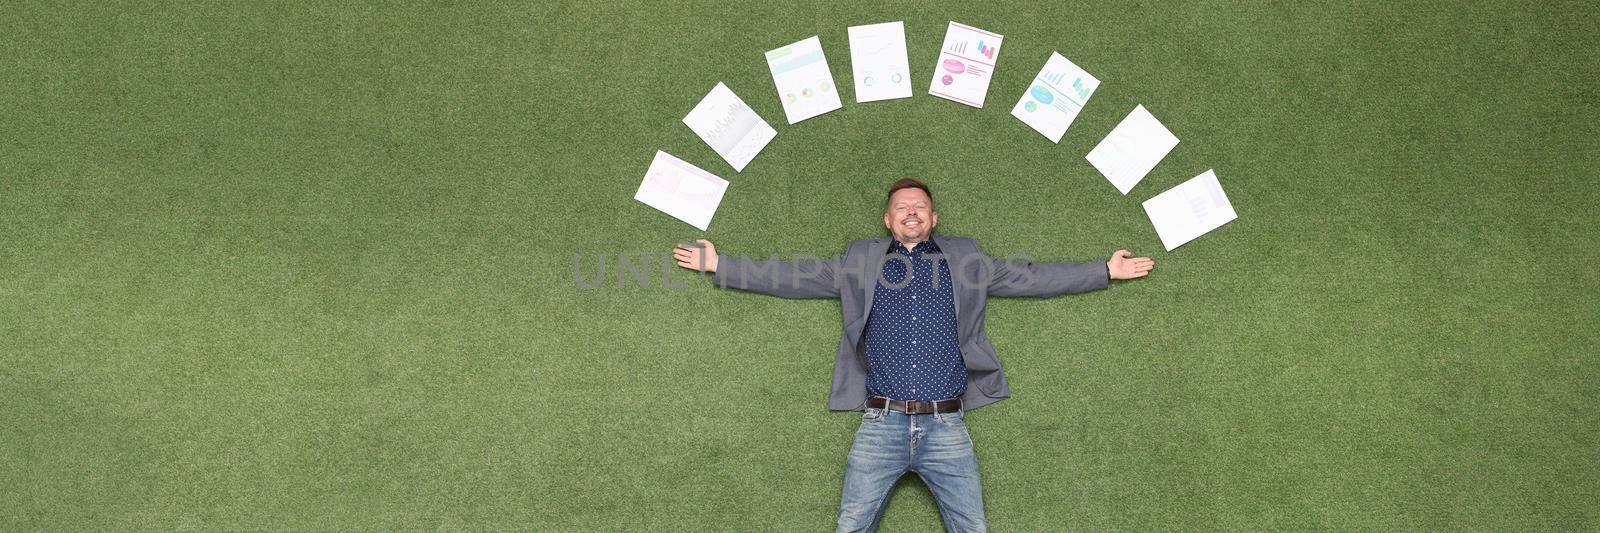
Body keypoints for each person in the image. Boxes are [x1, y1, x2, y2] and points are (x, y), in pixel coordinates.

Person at [671, 178, 1154, 532]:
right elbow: (792, 278)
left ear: (933, 218)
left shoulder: (967, 259)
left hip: (948, 426)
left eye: (920, 207)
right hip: (879, 424)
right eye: (902, 208)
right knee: (851, 526)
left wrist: (1102, 271)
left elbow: (1033, 278)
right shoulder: (860, 261)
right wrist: (720, 264)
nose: (911, 213)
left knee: (972, 528)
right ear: (888, 219)